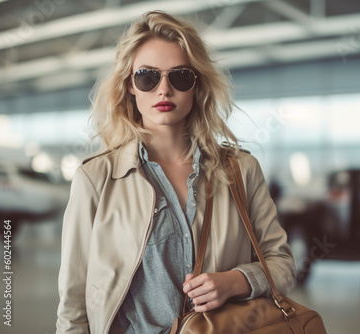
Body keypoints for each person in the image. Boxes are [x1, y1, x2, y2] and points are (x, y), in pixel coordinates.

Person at [55, 10, 295, 334]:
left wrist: (234, 282)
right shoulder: (96, 180)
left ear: (197, 85)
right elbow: (74, 303)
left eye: (180, 76)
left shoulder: (241, 170)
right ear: (130, 85)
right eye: (147, 76)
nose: (164, 89)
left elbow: (282, 265)